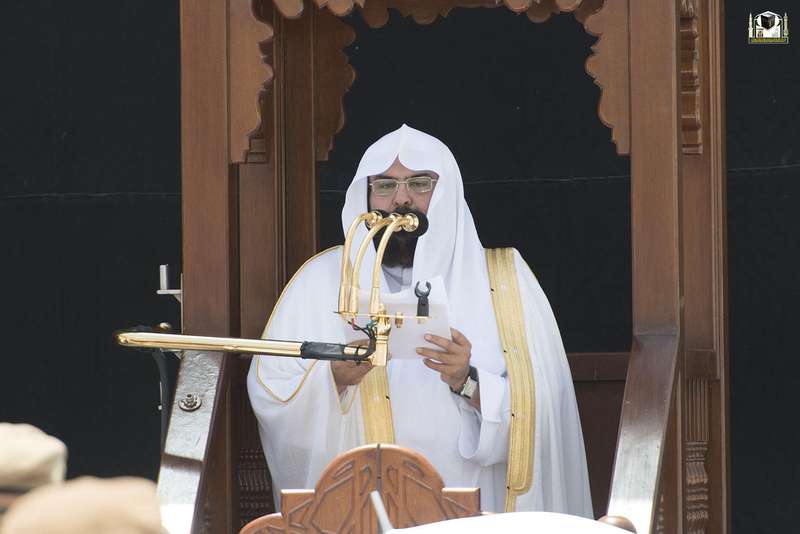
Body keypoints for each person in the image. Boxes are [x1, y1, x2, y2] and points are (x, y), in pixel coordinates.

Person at [247, 124, 592, 515]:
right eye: (385, 186)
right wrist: (334, 380)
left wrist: (468, 380)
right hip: (366, 511)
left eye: (420, 184)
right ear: (365, 195)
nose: (401, 200)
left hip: (478, 510)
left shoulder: (506, 279)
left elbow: (547, 411)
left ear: (448, 194)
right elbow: (271, 392)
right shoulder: (320, 280)